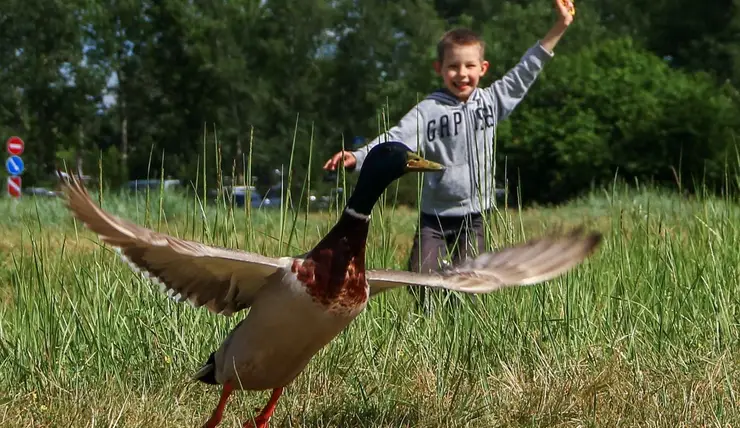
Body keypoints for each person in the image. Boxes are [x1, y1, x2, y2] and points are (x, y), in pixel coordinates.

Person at [323, 0, 575, 311]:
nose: (461, 74)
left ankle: (461, 327)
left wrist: (559, 27)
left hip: (475, 216)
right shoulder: (430, 110)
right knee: (421, 279)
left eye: (470, 66)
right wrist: (358, 157)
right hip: (435, 218)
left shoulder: (491, 102)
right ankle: (431, 322)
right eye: (453, 66)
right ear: (439, 69)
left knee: (470, 284)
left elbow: (527, 69)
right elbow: (396, 138)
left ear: (483, 69)